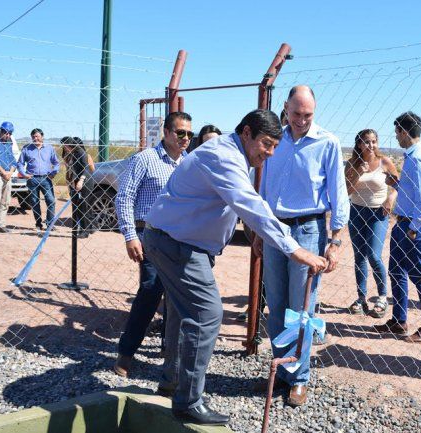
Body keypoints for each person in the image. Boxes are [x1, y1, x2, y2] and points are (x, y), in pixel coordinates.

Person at [143, 109, 327, 425]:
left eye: (274, 147)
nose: (268, 153)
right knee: (207, 313)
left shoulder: (230, 154)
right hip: (175, 244)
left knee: (182, 311)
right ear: (246, 133)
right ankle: (187, 401)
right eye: (266, 144)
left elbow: (240, 203)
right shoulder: (224, 157)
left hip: (171, 239)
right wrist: (294, 248)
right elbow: (249, 203)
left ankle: (172, 381)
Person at [256, 85, 349, 407]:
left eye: (307, 115)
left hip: (308, 230)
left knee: (302, 311)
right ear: (285, 108)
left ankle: (299, 378)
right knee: (278, 306)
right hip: (273, 229)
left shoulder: (327, 142)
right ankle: (280, 370)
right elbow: (265, 189)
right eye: (296, 114)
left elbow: (338, 193)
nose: (301, 120)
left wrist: (335, 241)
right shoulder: (275, 141)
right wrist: (258, 233)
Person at [113, 112, 192, 378]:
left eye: (189, 134)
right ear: (167, 133)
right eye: (181, 133)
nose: (185, 139)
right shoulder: (145, 160)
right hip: (150, 236)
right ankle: (126, 353)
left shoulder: (188, 164)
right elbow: (124, 197)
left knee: (176, 296)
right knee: (149, 292)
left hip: (181, 239)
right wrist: (129, 235)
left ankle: (169, 350)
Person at [375, 111, 421, 344]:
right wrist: (397, 183)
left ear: (403, 131)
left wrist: (413, 229)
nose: (396, 137)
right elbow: (414, 191)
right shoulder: (413, 156)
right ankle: (399, 320)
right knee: (397, 271)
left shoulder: (419, 158)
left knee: (420, 276)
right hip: (405, 223)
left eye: (396, 133)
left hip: (414, 226)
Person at [344, 129, 399, 317]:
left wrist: (390, 198)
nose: (371, 145)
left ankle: (382, 297)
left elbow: (397, 185)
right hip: (356, 212)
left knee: (374, 255)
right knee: (359, 256)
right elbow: (346, 190)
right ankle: (361, 298)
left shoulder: (385, 162)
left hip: (378, 213)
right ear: (359, 144)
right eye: (367, 142)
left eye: (374, 141)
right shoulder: (352, 163)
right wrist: (358, 172)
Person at [17, 128, 60, 234]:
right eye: (33, 137)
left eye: (37, 136)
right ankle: (38, 224)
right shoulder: (27, 149)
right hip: (32, 179)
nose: (35, 138)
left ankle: (50, 224)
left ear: (42, 136)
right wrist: (24, 174)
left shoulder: (49, 148)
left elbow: (56, 163)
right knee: (35, 202)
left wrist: (54, 172)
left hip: (46, 178)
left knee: (51, 201)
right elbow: (20, 163)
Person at [61, 136, 90, 238]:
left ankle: (85, 230)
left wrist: (81, 181)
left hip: (82, 182)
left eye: (65, 146)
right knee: (75, 206)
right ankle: (75, 228)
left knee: (82, 206)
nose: (64, 148)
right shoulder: (68, 153)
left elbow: (86, 168)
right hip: (72, 183)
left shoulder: (80, 152)